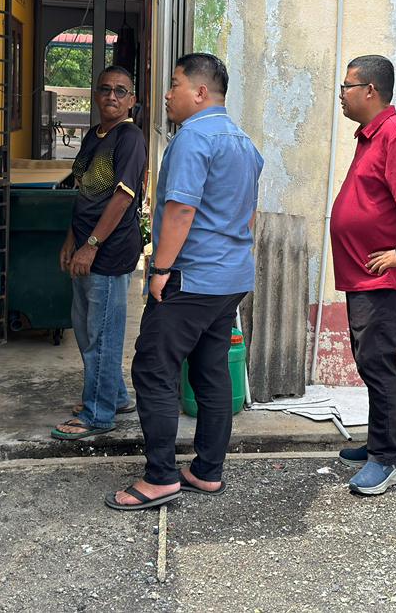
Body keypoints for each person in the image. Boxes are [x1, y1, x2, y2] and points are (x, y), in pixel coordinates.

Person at [106, 53, 263, 511]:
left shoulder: (193, 138)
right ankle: (207, 470)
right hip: (230, 277)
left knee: (153, 369)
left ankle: (160, 478)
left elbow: (180, 209)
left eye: (174, 84)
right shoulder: (244, 143)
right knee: (210, 370)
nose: (167, 94)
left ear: (200, 92)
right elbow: (249, 214)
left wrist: (159, 269)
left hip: (190, 278)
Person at [330, 55, 396, 495]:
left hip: (382, 279)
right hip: (363, 275)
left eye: (347, 86)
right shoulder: (370, 135)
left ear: (370, 91)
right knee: (370, 361)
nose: (341, 94)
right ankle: (382, 442)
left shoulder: (394, 133)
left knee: (377, 362)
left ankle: (387, 457)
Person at [51, 66, 147, 440]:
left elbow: (122, 198)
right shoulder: (94, 135)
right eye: (105, 89)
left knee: (103, 335)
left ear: (131, 100)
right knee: (88, 330)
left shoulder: (130, 138)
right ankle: (115, 396)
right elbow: (84, 193)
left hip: (109, 251)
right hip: (85, 246)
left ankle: (98, 413)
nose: (112, 96)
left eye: (121, 91)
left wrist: (91, 246)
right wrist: (71, 239)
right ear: (95, 95)